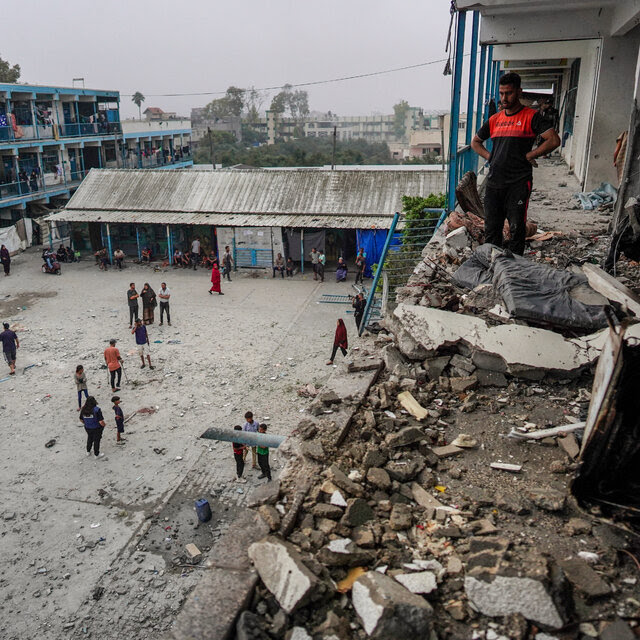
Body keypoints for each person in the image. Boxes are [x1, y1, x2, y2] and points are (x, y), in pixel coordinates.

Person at [471, 72, 560, 255]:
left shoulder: (531, 116)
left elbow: (553, 140)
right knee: (492, 229)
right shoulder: (495, 120)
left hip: (518, 182)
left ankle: (515, 268)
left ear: (519, 92)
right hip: (495, 182)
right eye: (502, 93)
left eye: (509, 93)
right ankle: (493, 267)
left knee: (516, 227)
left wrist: (531, 154)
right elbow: (475, 142)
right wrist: (491, 157)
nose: (504, 98)